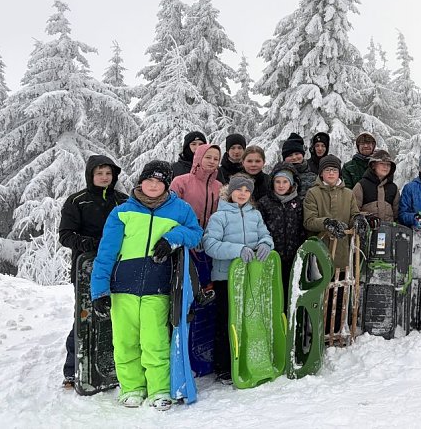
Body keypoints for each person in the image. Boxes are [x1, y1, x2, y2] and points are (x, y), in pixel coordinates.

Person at [90, 161, 202, 410]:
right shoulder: (122, 212)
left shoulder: (180, 209)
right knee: (125, 341)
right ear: (140, 181)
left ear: (166, 185)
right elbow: (106, 253)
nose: (153, 185)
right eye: (148, 180)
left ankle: (159, 389)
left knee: (155, 341)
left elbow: (195, 233)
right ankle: (131, 387)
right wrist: (99, 291)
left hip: (158, 287)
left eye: (159, 182)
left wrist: (173, 238)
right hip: (122, 287)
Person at [58, 155, 128, 388]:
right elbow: (66, 235)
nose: (104, 177)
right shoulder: (77, 201)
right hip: (86, 267)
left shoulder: (123, 200)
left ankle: (113, 363)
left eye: (108, 173)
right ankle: (73, 368)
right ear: (91, 175)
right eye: (100, 173)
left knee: (116, 313)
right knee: (85, 314)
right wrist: (89, 244)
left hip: (118, 266)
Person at [202, 174, 273, 385]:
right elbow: (210, 245)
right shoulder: (219, 217)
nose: (242, 193)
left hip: (251, 276)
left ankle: (246, 359)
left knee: (248, 318)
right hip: (226, 277)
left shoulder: (255, 215)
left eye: (247, 190)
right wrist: (237, 250)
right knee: (227, 320)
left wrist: (266, 245)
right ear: (229, 192)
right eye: (238, 189)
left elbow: (265, 235)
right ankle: (224, 366)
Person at [256, 162, 307, 308]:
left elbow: (301, 229)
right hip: (271, 256)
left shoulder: (298, 203)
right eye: (278, 181)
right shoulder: (264, 203)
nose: (281, 185)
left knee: (289, 291)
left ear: (291, 184)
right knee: (272, 292)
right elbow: (260, 228)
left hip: (292, 257)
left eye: (285, 182)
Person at [303, 155, 364, 269]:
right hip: (320, 251)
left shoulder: (348, 194)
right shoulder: (313, 193)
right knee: (323, 282)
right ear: (321, 173)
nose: (331, 173)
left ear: (339, 173)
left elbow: (353, 214)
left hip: (343, 253)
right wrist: (326, 223)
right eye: (327, 170)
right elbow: (309, 221)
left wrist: (357, 219)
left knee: (342, 284)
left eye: (334, 170)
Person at [170, 143, 222, 229]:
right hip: (185, 234)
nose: (212, 161)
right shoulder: (180, 182)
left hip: (210, 236)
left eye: (216, 159)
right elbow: (171, 210)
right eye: (208, 157)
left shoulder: (219, 186)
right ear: (199, 158)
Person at [352, 149, 400, 223]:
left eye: (388, 164)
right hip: (367, 232)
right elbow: (353, 212)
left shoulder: (393, 188)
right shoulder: (361, 185)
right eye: (382, 163)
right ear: (373, 165)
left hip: (388, 231)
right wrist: (367, 218)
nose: (385, 167)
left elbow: (397, 215)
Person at [280, 132, 316, 199]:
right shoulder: (278, 177)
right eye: (290, 155)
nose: (294, 157)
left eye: (297, 153)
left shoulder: (314, 177)